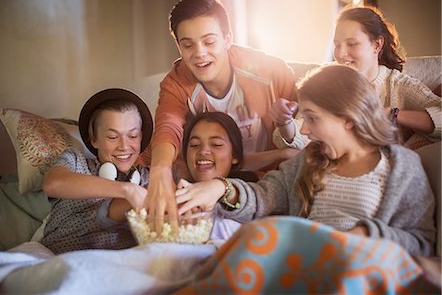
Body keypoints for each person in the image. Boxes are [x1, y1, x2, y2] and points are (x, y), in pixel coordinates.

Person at [179, 65, 436, 257]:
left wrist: (367, 235)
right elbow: (263, 196)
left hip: (358, 271)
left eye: (312, 118)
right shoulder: (308, 160)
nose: (303, 131)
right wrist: (221, 187)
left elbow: (422, 243)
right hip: (304, 264)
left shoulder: (403, 167)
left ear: (347, 117)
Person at [145, 0, 302, 231]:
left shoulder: (270, 70)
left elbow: (306, 128)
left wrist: (284, 153)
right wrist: (160, 171)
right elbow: (169, 127)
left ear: (227, 39)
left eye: (209, 41)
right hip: (211, 190)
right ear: (178, 46)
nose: (200, 53)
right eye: (188, 45)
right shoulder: (175, 84)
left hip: (270, 187)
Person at [273, 5, 441, 150]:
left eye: (351, 44)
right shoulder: (327, 78)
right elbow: (302, 135)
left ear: (377, 45)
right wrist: (285, 122)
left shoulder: (397, 85)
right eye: (337, 45)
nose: (340, 54)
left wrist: (389, 114)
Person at [40, 88, 153, 254]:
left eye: (133, 135)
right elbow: (53, 184)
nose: (124, 146)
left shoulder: (148, 178)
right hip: (64, 260)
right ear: (94, 139)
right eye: (113, 137)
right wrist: (128, 190)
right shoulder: (76, 162)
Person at [175, 112, 258, 240]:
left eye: (216, 144)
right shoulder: (175, 194)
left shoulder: (252, 198)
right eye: (195, 145)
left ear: (234, 155)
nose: (203, 151)